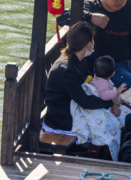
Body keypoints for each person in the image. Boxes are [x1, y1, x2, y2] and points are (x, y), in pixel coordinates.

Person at [42, 23, 125, 159]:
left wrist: (113, 98)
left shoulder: (78, 61)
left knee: (119, 114)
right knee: (109, 121)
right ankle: (106, 158)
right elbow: (85, 101)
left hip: (72, 108)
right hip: (62, 118)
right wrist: (110, 102)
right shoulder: (67, 70)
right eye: (92, 40)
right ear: (88, 44)